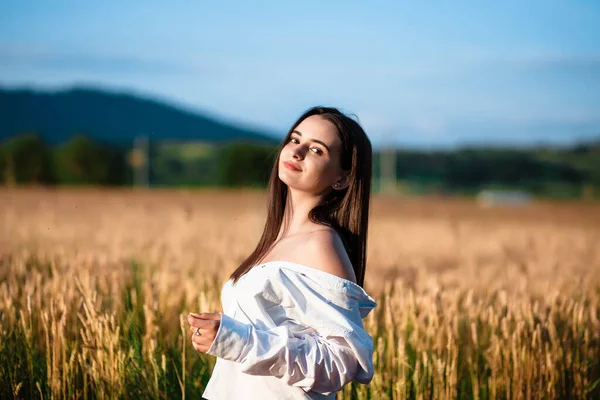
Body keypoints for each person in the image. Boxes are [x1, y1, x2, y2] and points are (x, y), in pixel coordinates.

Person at [187, 106, 377, 399]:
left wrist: (236, 340)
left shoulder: (321, 243)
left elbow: (341, 362)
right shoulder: (278, 239)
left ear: (342, 179)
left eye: (317, 150)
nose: (297, 151)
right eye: (294, 139)